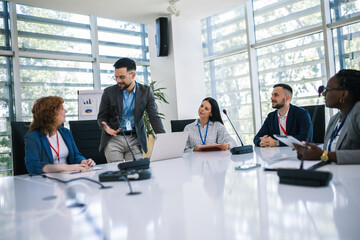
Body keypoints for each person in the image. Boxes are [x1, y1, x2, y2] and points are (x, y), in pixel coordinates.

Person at [98, 57, 165, 162]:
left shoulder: (146, 92)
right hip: (114, 139)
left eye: (122, 77)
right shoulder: (109, 92)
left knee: (137, 173)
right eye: (116, 77)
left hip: (135, 138)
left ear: (133, 75)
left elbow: (154, 117)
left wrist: (163, 139)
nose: (118, 81)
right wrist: (105, 128)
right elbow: (101, 116)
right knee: (117, 174)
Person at [294, 69, 360, 164]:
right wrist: (309, 151)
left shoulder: (358, 110)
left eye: (327, 90)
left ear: (344, 94)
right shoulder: (335, 119)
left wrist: (325, 155)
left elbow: (327, 154)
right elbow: (329, 150)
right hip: (335, 174)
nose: (324, 94)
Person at [25, 96, 95, 175]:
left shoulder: (66, 132)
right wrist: (65, 167)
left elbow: (75, 156)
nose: (66, 111)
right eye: (62, 108)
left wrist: (84, 162)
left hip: (69, 176)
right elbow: (33, 166)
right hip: (47, 181)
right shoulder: (33, 137)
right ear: (51, 113)